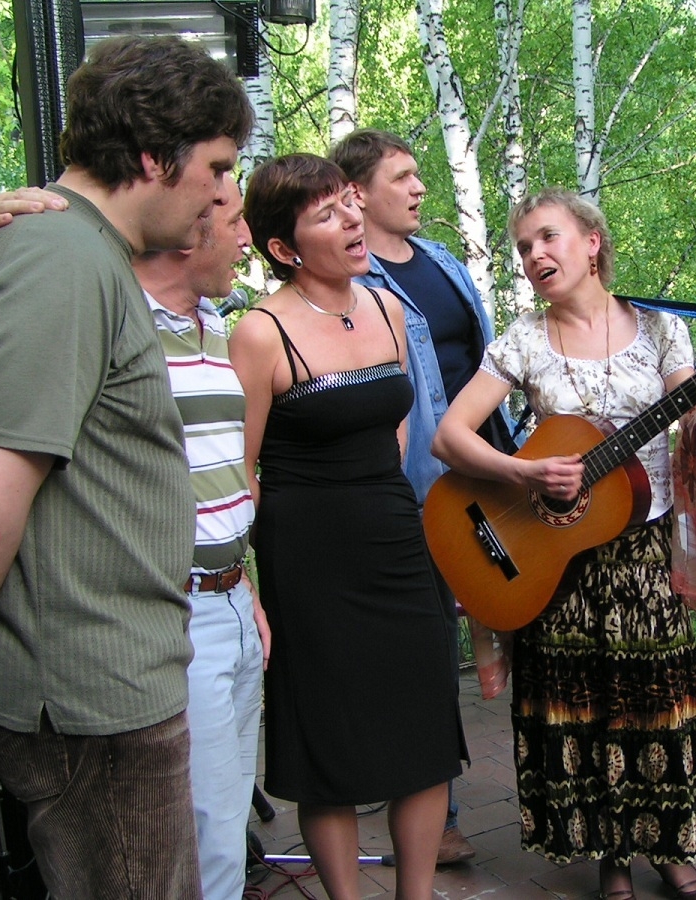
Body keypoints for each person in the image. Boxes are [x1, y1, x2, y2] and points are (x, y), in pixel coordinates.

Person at [0, 34, 252, 899]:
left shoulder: (81, 255)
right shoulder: (61, 260)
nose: (221, 198)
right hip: (92, 701)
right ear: (157, 157)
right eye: (216, 167)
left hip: (109, 686)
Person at [432, 187, 696, 900]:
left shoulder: (660, 329)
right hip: (555, 562)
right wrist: (525, 472)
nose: (534, 255)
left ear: (592, 241)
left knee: (655, 704)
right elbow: (448, 437)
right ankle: (611, 858)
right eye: (524, 247)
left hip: (642, 555)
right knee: (583, 711)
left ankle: (669, 848)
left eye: (548, 237)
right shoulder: (521, 341)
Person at [228, 153, 465, 900]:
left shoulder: (390, 309)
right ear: (283, 247)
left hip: (397, 537)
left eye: (349, 203)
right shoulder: (260, 332)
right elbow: (240, 469)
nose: (353, 219)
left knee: (424, 731)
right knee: (327, 741)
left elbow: (396, 431)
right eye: (326, 213)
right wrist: (251, 580)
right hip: (309, 556)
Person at [329, 128, 517, 864]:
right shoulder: (355, 280)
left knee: (520, 609)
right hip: (418, 485)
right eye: (402, 177)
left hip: (490, 469)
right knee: (427, 649)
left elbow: (489, 360)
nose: (419, 188)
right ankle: (439, 816)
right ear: (357, 193)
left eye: (417, 175)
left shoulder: (443, 262)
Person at [135, 180, 270, 900]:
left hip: (232, 600)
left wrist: (248, 592)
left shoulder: (215, 319)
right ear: (192, 226)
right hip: (173, 609)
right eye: (236, 220)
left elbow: (227, 471)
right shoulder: (121, 317)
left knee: (225, 824)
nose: (247, 239)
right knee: (204, 839)